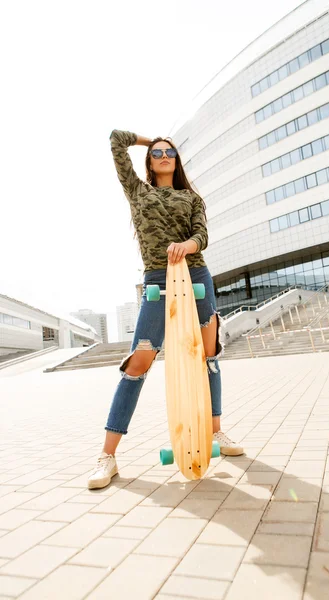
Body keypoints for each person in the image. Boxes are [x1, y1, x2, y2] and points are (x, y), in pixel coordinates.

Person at [88, 130, 244, 490]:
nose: (163, 155)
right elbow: (115, 139)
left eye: (169, 151)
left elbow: (201, 234)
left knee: (209, 355)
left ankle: (216, 432)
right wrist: (149, 139)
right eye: (157, 152)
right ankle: (107, 456)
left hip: (196, 274)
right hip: (158, 280)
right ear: (149, 159)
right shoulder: (138, 191)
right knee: (137, 363)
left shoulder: (190, 197)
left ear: (176, 158)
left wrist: (188, 245)